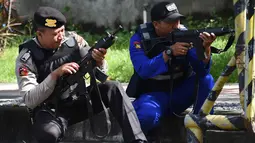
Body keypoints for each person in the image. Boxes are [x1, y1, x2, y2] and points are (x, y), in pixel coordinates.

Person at [15, 6, 147, 143]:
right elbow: (30, 100)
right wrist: (54, 75)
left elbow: (100, 74)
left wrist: (99, 61)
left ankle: (138, 140)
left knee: (113, 87)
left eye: (62, 31)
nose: (61, 36)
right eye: (55, 34)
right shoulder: (27, 57)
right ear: (39, 34)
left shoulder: (74, 42)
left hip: (79, 101)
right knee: (48, 134)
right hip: (51, 110)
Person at [126, 1, 216, 134]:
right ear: (156, 24)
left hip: (180, 93)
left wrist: (205, 49)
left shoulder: (184, 35)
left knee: (207, 80)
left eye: (178, 20)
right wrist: (168, 53)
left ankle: (201, 126)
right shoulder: (139, 40)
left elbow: (202, 71)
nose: (176, 25)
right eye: (170, 21)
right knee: (146, 117)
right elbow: (144, 70)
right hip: (153, 95)